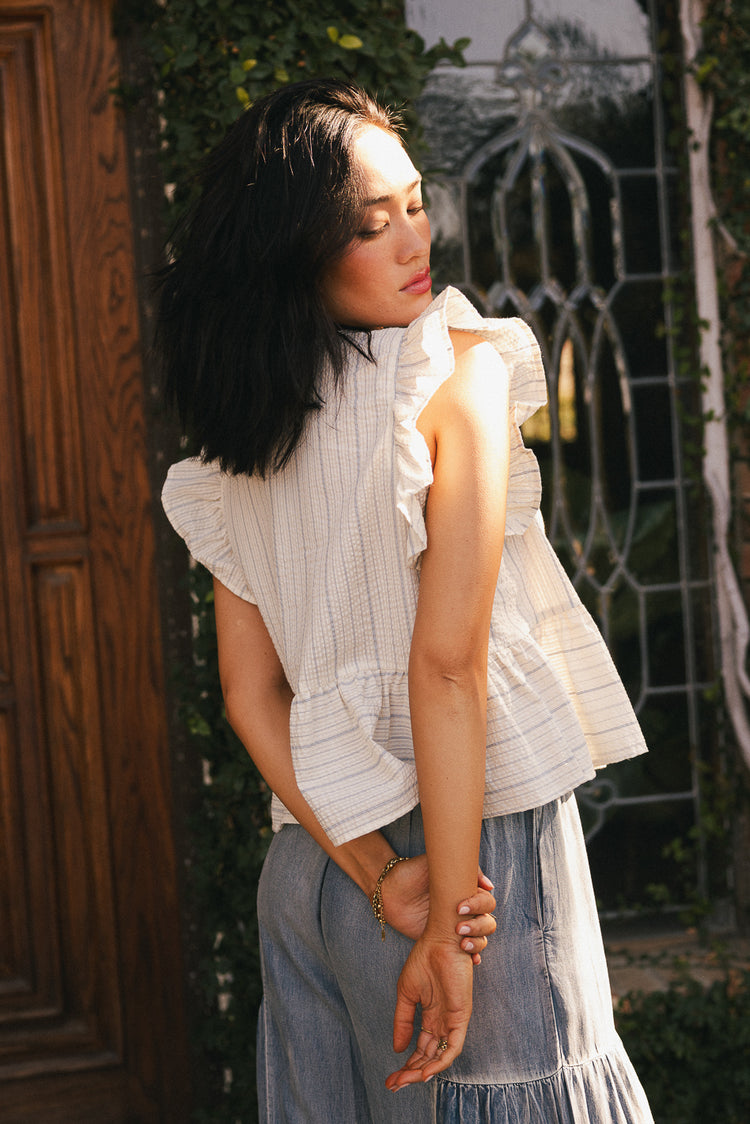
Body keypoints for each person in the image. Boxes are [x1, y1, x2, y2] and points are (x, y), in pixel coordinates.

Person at [159, 78, 654, 1123]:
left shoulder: (234, 443)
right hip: (475, 865)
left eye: (416, 202)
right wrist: (442, 920)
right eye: (368, 224)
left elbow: (252, 696)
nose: (412, 239)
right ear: (295, 251)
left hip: (318, 869)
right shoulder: (456, 374)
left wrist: (380, 873)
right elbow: (447, 663)